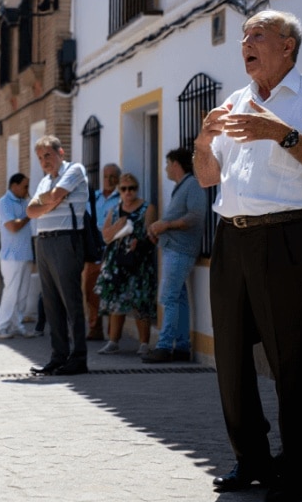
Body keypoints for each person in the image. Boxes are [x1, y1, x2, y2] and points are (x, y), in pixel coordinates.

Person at [195, 10, 302, 502]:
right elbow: (207, 177)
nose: (246, 42)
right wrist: (202, 141)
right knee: (230, 360)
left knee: (292, 362)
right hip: (231, 240)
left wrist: (279, 131)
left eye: (257, 35)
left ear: (287, 46)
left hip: (287, 238)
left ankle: (299, 472)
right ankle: (252, 460)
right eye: (244, 36)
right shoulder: (233, 103)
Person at [26, 135, 91, 376]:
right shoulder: (45, 181)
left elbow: (54, 196)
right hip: (43, 243)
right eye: (40, 158)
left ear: (60, 153)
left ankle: (79, 358)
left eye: (48, 155)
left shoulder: (75, 170)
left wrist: (50, 199)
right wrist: (52, 200)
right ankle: (58, 357)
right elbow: (31, 211)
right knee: (51, 304)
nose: (44, 161)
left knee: (71, 301)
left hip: (66, 240)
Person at [143, 148, 208, 363]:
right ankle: (181, 347)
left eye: (167, 164)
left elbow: (195, 216)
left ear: (175, 164)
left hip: (180, 250)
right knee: (178, 298)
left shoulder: (193, 185)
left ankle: (163, 346)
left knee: (169, 298)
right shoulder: (184, 186)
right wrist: (159, 229)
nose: (165, 169)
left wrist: (166, 225)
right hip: (174, 248)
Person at [94, 173, 158, 356]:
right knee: (116, 301)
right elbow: (106, 237)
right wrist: (118, 225)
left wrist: (140, 242)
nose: (128, 192)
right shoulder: (115, 210)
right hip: (117, 261)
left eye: (132, 188)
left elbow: (152, 235)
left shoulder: (147, 208)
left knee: (140, 301)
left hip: (139, 261)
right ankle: (113, 341)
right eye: (124, 189)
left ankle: (144, 343)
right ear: (119, 191)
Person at [0, 173, 37, 339]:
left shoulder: (25, 203)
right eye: (25, 186)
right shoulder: (4, 202)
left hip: (25, 254)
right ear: (14, 186)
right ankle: (2, 327)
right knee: (11, 293)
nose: (27, 190)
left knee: (23, 294)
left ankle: (17, 325)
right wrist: (28, 215)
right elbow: (12, 226)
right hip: (11, 256)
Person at [83, 164, 120, 340]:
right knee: (91, 291)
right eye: (106, 176)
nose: (109, 180)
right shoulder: (93, 197)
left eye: (113, 176)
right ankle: (94, 328)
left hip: (112, 250)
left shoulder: (121, 198)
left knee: (111, 292)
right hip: (93, 251)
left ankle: (112, 334)